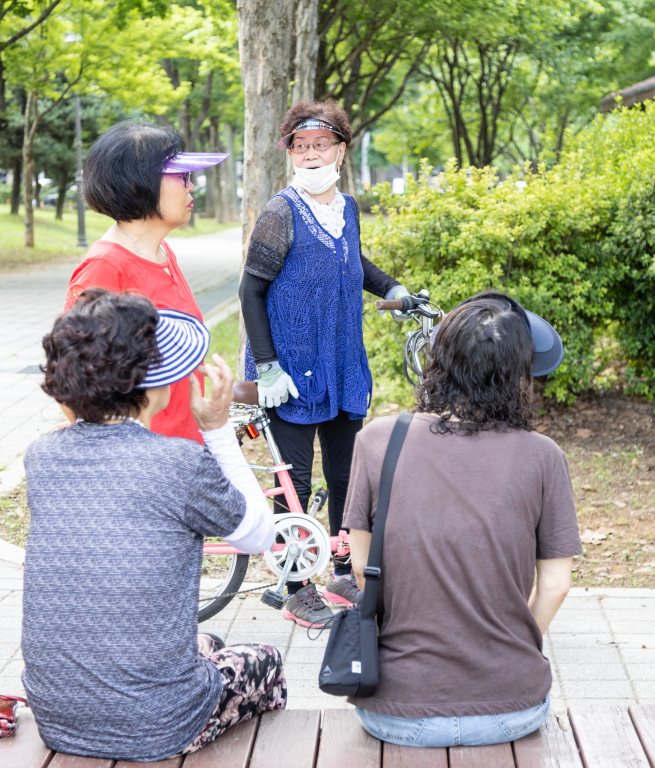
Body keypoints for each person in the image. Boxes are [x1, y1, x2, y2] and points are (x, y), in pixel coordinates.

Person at [22, 289, 286, 761]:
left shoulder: (41, 458)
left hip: (57, 716)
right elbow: (260, 535)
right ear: (150, 383)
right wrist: (219, 430)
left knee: (208, 642)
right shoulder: (177, 462)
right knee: (266, 660)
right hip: (159, 726)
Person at [344, 292, 581, 748]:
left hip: (395, 711)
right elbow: (556, 585)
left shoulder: (377, 441)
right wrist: (510, 646)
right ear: (519, 373)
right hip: (511, 709)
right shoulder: (543, 456)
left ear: (438, 360)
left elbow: (359, 565)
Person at [239, 100, 410, 628]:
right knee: (294, 482)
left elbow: (353, 261)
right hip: (287, 372)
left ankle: (341, 569)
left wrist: (392, 288)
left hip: (341, 366)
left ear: (340, 149)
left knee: (345, 478)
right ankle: (295, 587)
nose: (311, 154)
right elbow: (250, 291)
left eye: (321, 144)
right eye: (300, 146)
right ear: (290, 153)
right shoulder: (281, 212)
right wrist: (266, 366)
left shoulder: (349, 208)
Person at [65, 122, 228, 443]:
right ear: (140, 184)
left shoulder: (162, 252)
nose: (191, 187)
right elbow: (73, 379)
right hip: (144, 465)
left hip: (185, 448)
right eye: (181, 177)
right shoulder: (105, 268)